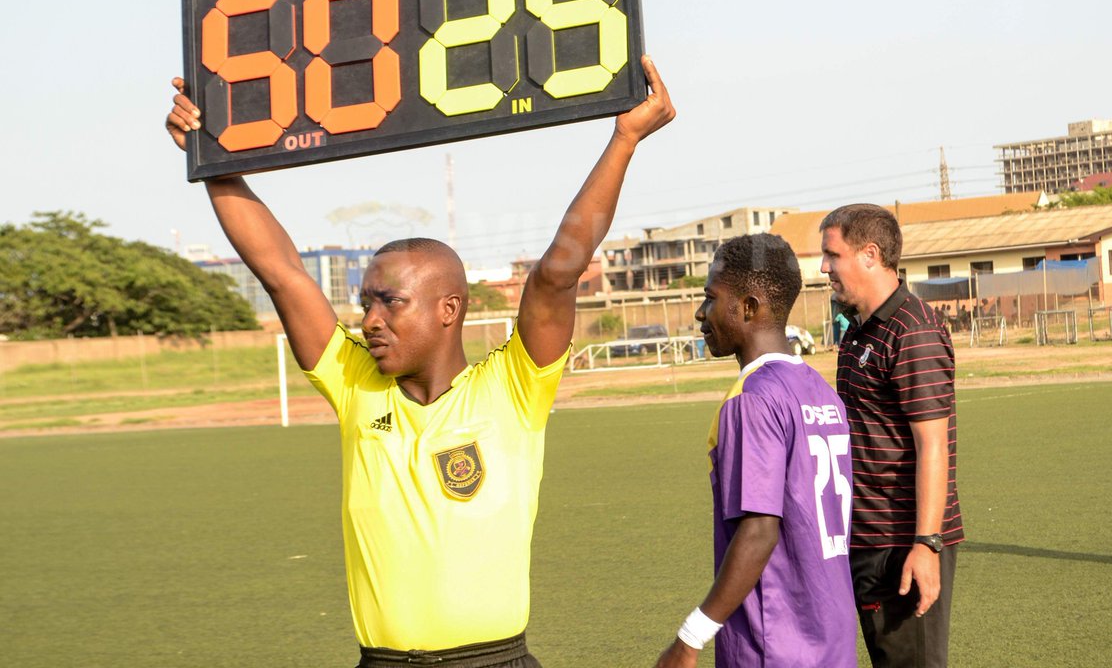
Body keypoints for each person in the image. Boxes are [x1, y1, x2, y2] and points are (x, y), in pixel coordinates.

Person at [164, 55, 675, 667]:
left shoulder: (511, 387)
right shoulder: (355, 382)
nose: (369, 320)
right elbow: (280, 272)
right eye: (364, 303)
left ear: (449, 309)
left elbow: (557, 273)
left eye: (391, 303)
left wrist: (624, 139)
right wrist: (211, 160)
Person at [655, 234, 857, 668]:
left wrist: (689, 639)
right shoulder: (821, 392)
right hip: (832, 635)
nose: (700, 312)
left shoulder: (753, 399)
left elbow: (760, 529)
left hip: (775, 642)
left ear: (748, 307)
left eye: (710, 297)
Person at [819, 204, 965, 668]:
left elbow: (933, 446)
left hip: (901, 544)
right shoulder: (859, 331)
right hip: (865, 538)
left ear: (869, 254)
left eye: (831, 254)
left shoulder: (913, 328)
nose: (824, 267)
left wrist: (926, 544)